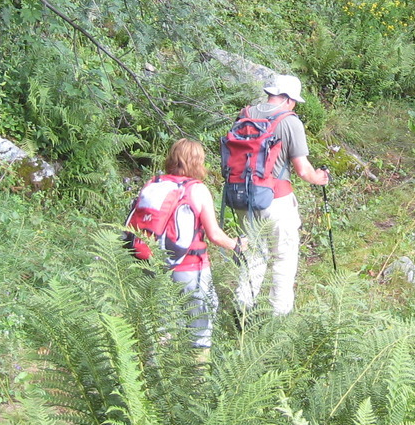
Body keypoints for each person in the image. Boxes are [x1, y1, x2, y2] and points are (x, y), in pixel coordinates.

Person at [231, 74, 329, 316]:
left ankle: (242, 309)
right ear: (288, 99)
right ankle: (279, 314)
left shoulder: (245, 114)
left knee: (254, 254)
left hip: (242, 197)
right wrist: (319, 177)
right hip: (276, 200)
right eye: (294, 101)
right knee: (283, 257)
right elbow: (303, 170)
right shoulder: (289, 121)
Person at [127, 139, 240, 348]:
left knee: (159, 326)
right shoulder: (197, 189)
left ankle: (157, 363)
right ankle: (197, 365)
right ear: (197, 162)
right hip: (189, 268)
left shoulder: (153, 183)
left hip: (152, 264)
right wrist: (236, 245)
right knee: (201, 323)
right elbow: (214, 234)